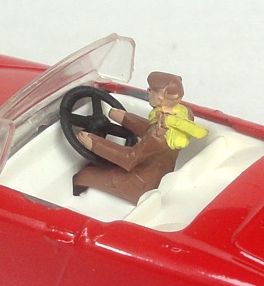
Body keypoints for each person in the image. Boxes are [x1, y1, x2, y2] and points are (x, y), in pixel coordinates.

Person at [72, 71, 208, 204]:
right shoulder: (183, 114)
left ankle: (75, 201)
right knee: (100, 166)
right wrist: (124, 118)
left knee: (85, 175)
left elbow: (129, 158)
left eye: (151, 90)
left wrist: (95, 143)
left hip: (139, 184)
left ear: (161, 97)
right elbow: (149, 129)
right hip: (160, 176)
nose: (148, 91)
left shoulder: (158, 135)